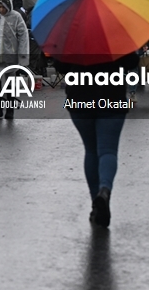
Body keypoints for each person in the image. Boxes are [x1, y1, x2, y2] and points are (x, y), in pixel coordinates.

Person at [52, 53, 138, 228]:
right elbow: (132, 62)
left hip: (80, 96)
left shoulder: (71, 30)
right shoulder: (116, 30)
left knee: (90, 150)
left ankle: (95, 203)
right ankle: (104, 191)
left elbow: (61, 66)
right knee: (108, 150)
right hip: (112, 94)